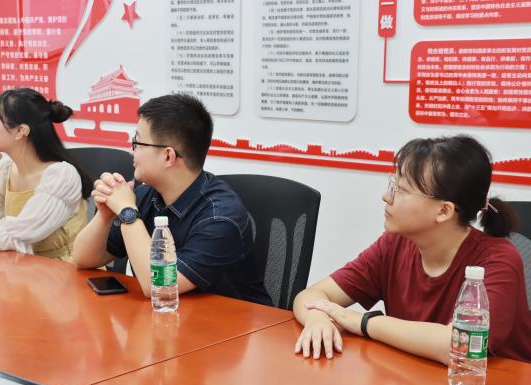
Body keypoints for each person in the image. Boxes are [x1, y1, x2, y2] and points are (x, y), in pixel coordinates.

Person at [293, 135, 531, 363]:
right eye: (392, 184)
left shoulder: (498, 260)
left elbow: (460, 345)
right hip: (414, 378)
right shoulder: (394, 244)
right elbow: (311, 295)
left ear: (444, 211)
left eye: (402, 189)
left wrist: (362, 322)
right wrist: (317, 319)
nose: (386, 196)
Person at [73, 94, 272, 305]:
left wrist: (127, 211)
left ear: (168, 156)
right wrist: (105, 216)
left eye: (137, 143)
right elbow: (84, 259)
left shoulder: (220, 218)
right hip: (173, 317)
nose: (132, 151)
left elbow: (159, 286)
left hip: (232, 321)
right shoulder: (146, 195)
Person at [0, 88, 92, 262]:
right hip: (24, 269)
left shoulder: (61, 176)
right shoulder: (5, 172)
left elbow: (18, 235)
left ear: (20, 131)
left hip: (66, 271)